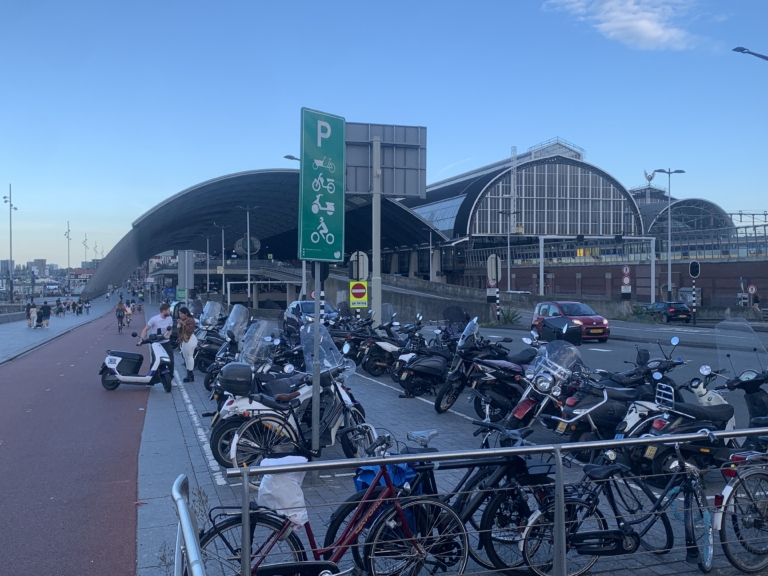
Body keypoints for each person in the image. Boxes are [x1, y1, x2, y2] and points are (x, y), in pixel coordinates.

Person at [140, 303, 175, 378]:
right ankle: (151, 379)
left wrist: (168, 335)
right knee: (155, 361)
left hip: (166, 343)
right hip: (156, 343)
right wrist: (141, 340)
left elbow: (170, 329)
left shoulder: (170, 318)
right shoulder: (154, 319)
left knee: (171, 361)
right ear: (164, 311)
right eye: (168, 310)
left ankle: (171, 378)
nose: (170, 311)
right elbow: (145, 329)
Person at [177, 306, 197, 382]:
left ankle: (190, 374)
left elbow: (190, 329)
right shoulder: (184, 320)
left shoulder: (190, 320)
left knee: (189, 356)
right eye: (179, 314)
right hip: (184, 340)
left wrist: (183, 324)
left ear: (186, 313)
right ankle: (189, 373)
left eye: (181, 314)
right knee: (185, 356)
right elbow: (180, 332)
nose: (180, 315)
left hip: (190, 339)